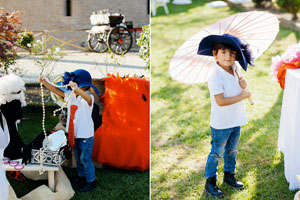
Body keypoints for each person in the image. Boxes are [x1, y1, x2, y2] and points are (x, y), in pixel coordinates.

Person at [197, 34, 253, 198]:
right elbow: (220, 101)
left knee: (232, 150)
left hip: (236, 119)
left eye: (232, 53)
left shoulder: (236, 68)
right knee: (217, 152)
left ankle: (229, 175)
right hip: (221, 123)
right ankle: (210, 182)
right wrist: (242, 96)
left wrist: (243, 84)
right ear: (215, 54)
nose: (228, 56)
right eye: (223, 52)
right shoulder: (215, 76)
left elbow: (239, 85)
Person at [39, 69, 100, 192]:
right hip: (74, 134)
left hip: (85, 135)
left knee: (85, 158)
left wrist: (76, 89)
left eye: (77, 87)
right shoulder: (71, 95)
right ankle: (81, 176)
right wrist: (45, 83)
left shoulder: (89, 97)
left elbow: (87, 98)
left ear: (85, 86)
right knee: (77, 157)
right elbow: (58, 91)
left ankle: (91, 181)